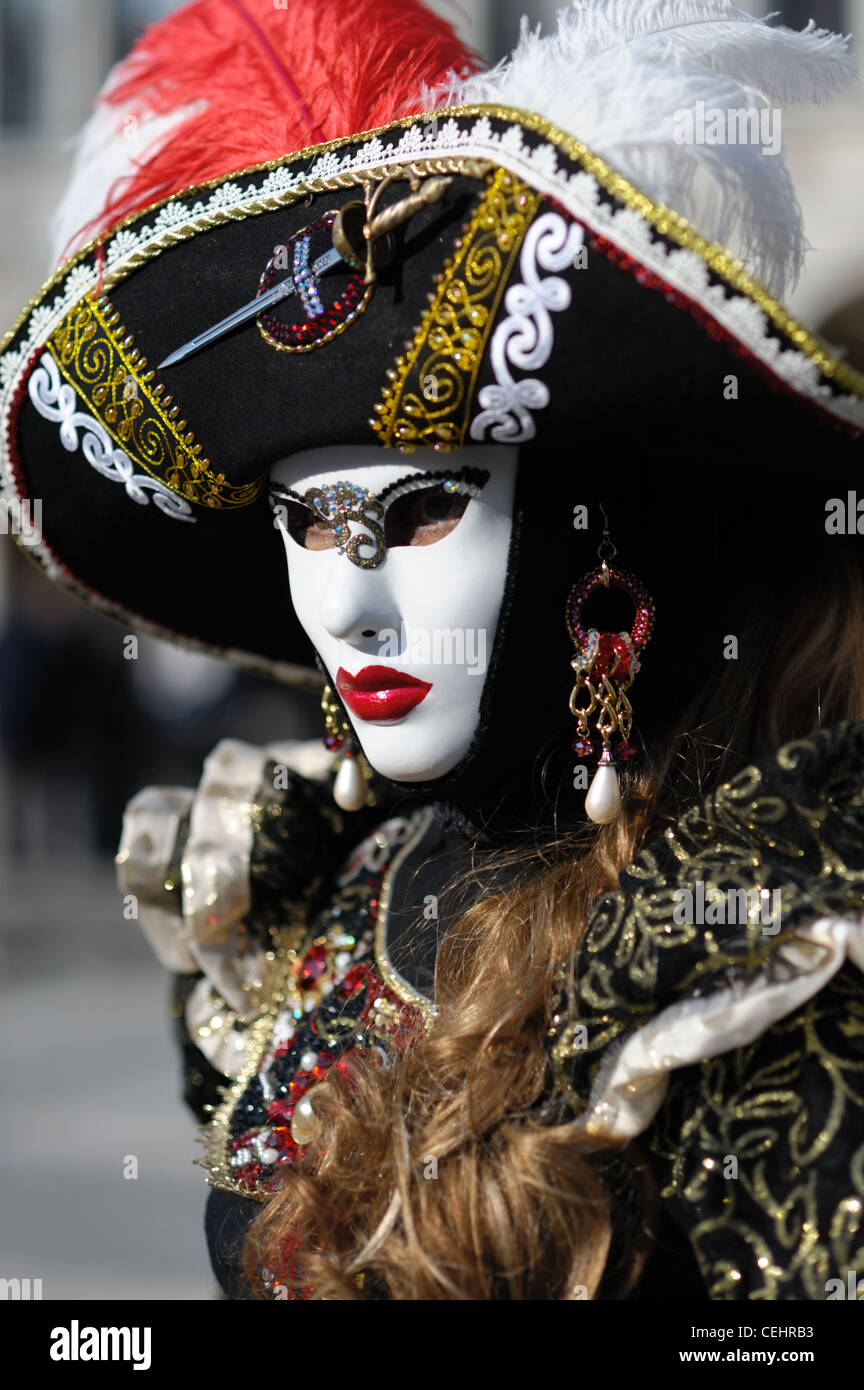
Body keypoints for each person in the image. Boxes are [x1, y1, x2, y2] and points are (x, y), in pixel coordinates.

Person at [2, 0, 863, 1301]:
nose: (349, 608)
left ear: (597, 546)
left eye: (419, 512)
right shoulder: (312, 897)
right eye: (305, 522)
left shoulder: (770, 940)